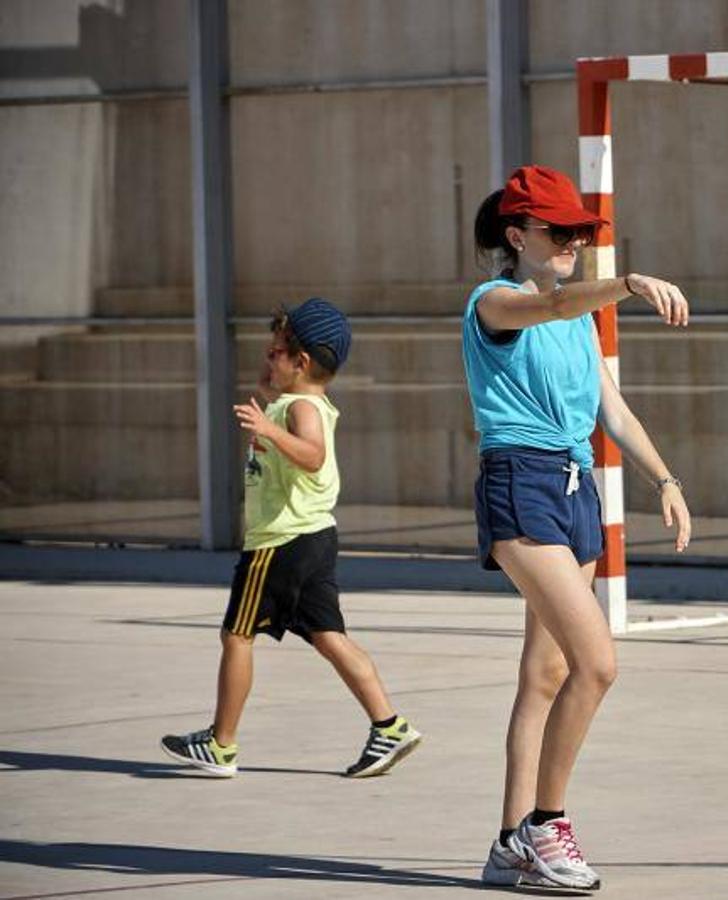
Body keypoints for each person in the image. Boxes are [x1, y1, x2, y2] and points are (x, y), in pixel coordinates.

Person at [466, 165, 692, 891]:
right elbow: (549, 302)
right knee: (598, 663)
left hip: (574, 489)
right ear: (515, 235)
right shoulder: (494, 303)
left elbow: (611, 410)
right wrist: (626, 284)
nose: (570, 242)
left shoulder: (579, 319)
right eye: (556, 231)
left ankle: (507, 846)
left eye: (579, 233)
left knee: (546, 674)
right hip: (520, 485)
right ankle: (545, 824)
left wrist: (666, 480)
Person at [159, 298, 422, 779]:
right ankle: (390, 726)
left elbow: (314, 455)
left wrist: (268, 430)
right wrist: (271, 404)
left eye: (275, 352)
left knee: (236, 635)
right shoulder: (300, 399)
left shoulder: (301, 408)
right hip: (314, 537)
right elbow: (278, 394)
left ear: (301, 361)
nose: (266, 358)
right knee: (329, 637)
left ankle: (221, 744)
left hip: (281, 541)